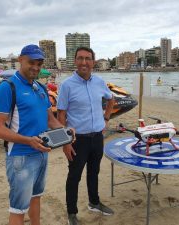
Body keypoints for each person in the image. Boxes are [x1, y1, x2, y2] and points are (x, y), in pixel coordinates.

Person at [0, 44, 68, 225]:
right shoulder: (6, 88)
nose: (35, 67)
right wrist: (28, 141)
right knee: (18, 209)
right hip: (20, 157)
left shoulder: (40, 88)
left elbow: (51, 120)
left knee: (36, 198)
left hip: (42, 153)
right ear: (20, 60)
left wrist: (66, 133)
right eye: (31, 62)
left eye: (39, 63)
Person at [57, 47, 115, 225]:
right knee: (74, 176)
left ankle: (94, 202)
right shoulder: (67, 85)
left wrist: (106, 118)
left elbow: (111, 99)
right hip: (77, 140)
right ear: (75, 61)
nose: (84, 62)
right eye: (80, 58)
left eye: (88, 59)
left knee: (94, 172)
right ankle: (72, 213)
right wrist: (65, 143)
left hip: (97, 137)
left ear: (93, 62)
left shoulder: (99, 82)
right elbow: (61, 116)